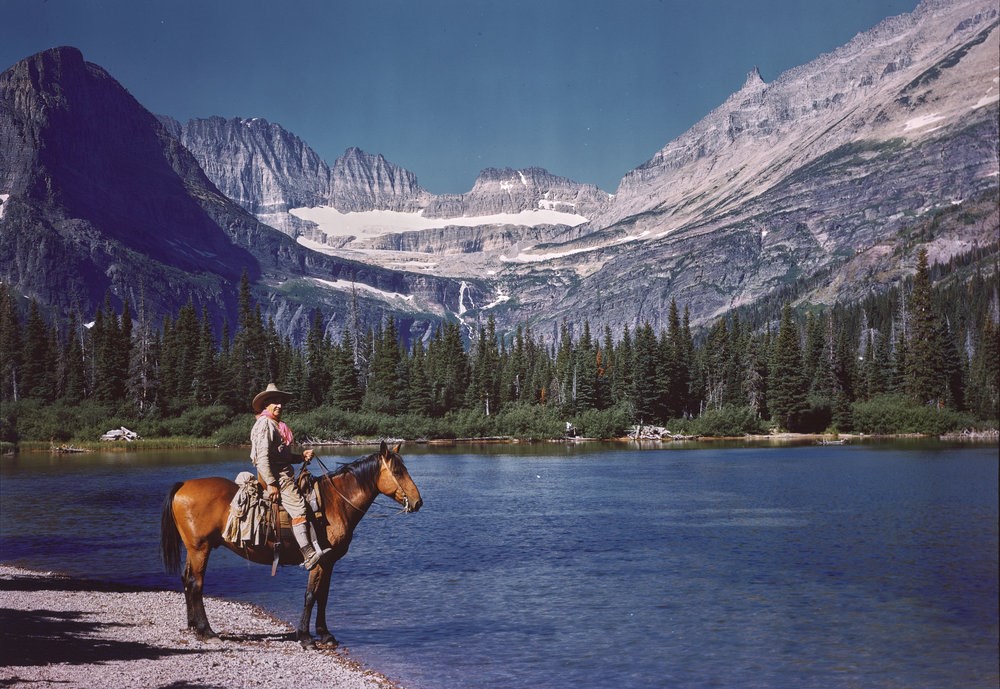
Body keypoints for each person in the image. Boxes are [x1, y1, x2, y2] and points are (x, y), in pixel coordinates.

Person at [250, 383, 331, 570]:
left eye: (280, 402)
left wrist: (301, 456)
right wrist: (271, 484)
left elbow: (282, 457)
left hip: (281, 472)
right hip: (277, 477)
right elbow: (262, 459)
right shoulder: (265, 424)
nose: (278, 405)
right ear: (265, 405)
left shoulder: (277, 425)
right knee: (299, 508)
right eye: (273, 402)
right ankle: (308, 554)